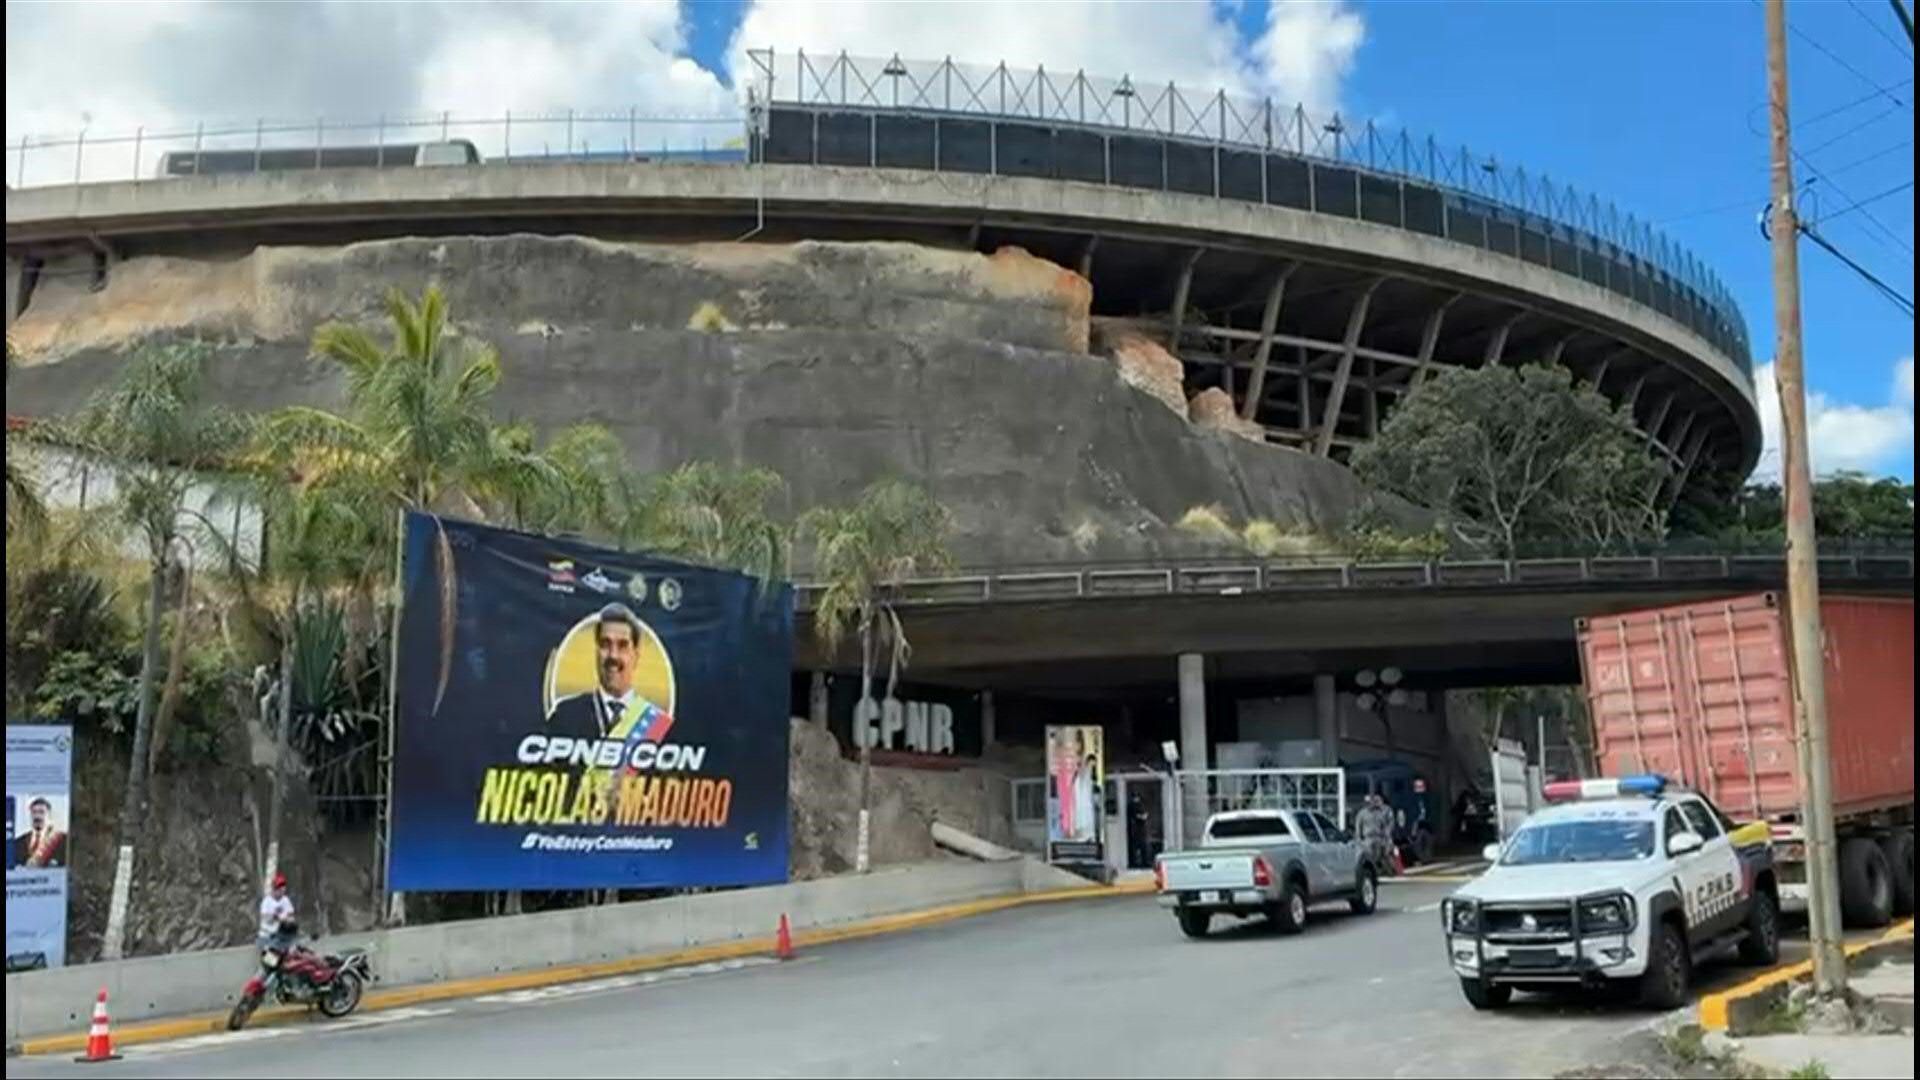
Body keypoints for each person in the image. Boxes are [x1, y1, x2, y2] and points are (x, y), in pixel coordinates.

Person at [547, 603, 674, 745]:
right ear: (596, 652)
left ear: (636, 656)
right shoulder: (566, 715)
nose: (613, 655)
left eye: (623, 645)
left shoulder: (657, 725)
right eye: (605, 644)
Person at [11, 797, 67, 869]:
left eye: (41, 812)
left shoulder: (62, 840)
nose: (37, 816)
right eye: (34, 812)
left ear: (49, 815)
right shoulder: (18, 842)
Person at [1354, 793, 1396, 871]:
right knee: (1367, 855)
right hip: (1368, 838)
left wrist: (1387, 835)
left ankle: (1389, 868)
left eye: (1371, 802)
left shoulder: (1380, 812)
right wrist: (1359, 838)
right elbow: (1358, 827)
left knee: (1384, 853)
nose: (1369, 804)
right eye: (1367, 802)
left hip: (1379, 837)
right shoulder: (1361, 813)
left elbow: (1385, 825)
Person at [257, 872, 296, 948]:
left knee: (291, 925)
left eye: (283, 890)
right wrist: (275, 917)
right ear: (274, 889)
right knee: (271, 953)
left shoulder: (285, 900)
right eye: (279, 890)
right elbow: (264, 917)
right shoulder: (267, 901)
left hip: (282, 933)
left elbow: (290, 914)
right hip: (268, 934)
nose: (281, 892)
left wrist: (288, 920)